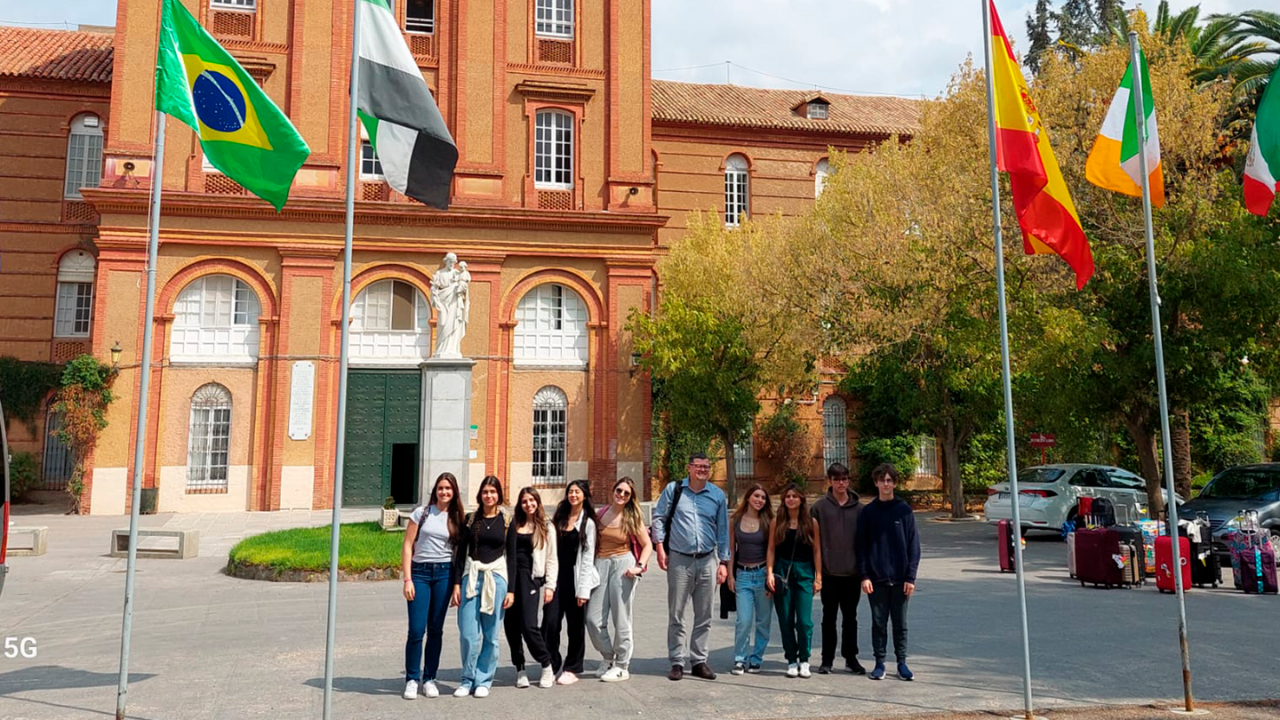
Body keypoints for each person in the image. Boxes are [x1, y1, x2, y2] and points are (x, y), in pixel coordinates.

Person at [651, 453, 730, 681]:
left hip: (707, 560)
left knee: (704, 614)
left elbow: (723, 531)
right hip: (679, 559)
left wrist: (723, 562)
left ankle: (699, 660)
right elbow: (659, 518)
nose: (702, 470)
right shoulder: (674, 490)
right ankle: (677, 660)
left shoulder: (717, 495)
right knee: (677, 613)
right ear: (689, 468)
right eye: (698, 466)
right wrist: (659, 547)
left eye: (706, 466)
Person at [402, 472, 466, 699]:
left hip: (444, 574)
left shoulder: (458, 517)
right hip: (420, 573)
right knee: (417, 630)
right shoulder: (422, 513)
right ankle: (411, 679)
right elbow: (408, 545)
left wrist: (457, 585)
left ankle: (429, 678)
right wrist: (407, 579)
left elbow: (459, 555)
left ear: (454, 491)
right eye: (440, 488)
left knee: (436, 630)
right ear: (435, 491)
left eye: (448, 488)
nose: (444, 492)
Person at [856, 464, 920, 682]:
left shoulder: (904, 511)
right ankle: (879, 662)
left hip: (901, 579)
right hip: (876, 579)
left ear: (895, 483)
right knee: (878, 623)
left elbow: (914, 546)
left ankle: (902, 663)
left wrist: (911, 577)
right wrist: (864, 575)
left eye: (889, 480)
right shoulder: (868, 512)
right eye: (882, 480)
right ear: (875, 483)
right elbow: (861, 547)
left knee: (900, 624)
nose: (886, 484)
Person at [454, 476, 514, 698]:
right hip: (471, 577)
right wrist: (456, 585)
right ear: (480, 494)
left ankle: (483, 680)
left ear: (499, 494)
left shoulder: (507, 521)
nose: (489, 496)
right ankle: (467, 679)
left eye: (493, 492)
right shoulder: (470, 520)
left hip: (496, 579)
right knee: (468, 633)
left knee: (490, 635)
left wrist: (511, 590)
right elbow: (460, 554)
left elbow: (513, 557)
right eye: (485, 492)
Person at [587, 477, 652, 682]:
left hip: (623, 565)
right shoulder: (601, 514)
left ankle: (622, 664)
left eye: (626, 493)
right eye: (619, 490)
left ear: (630, 497)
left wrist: (638, 566)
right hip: (601, 564)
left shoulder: (632, 517)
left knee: (621, 616)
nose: (621, 495)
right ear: (613, 491)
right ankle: (608, 657)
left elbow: (647, 544)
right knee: (593, 618)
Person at [541, 480, 599, 685]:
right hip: (557, 578)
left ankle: (573, 667)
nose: (573, 495)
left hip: (576, 580)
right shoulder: (559, 518)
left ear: (584, 495)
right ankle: (552, 663)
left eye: (577, 491)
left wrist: (583, 590)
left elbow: (588, 557)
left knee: (575, 627)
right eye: (570, 491)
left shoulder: (588, 523)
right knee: (550, 622)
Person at [809, 462, 865, 675]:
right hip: (830, 573)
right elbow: (812, 542)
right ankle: (827, 659)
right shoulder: (819, 508)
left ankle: (851, 658)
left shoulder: (860, 509)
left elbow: (865, 541)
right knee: (828, 617)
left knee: (851, 618)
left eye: (844, 479)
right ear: (829, 481)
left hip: (852, 573)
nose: (841, 483)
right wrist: (818, 573)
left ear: (848, 480)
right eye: (836, 479)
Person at [503, 487, 558, 689]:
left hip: (530, 578)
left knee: (528, 625)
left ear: (537, 502)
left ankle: (546, 664)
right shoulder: (514, 525)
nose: (529, 504)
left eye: (532, 500)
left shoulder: (546, 527)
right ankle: (520, 669)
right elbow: (507, 555)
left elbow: (552, 559)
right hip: (510, 578)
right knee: (511, 626)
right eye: (525, 501)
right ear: (520, 504)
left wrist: (550, 586)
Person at [767, 483, 822, 678]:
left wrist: (818, 577)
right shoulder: (777, 522)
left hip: (805, 572)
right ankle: (791, 659)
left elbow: (816, 551)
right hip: (782, 573)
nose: (791, 499)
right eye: (788, 496)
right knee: (786, 619)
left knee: (805, 622)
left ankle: (804, 659)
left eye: (794, 496)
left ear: (801, 500)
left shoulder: (810, 523)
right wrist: (769, 574)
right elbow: (771, 550)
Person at [727, 483, 774, 675]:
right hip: (743, 575)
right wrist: (730, 574)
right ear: (748, 497)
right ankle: (740, 659)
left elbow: (772, 550)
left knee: (763, 621)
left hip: (762, 574)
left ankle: (756, 658)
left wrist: (770, 576)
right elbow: (731, 549)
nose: (759, 500)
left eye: (763, 497)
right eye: (756, 496)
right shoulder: (736, 520)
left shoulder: (769, 520)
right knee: (744, 620)